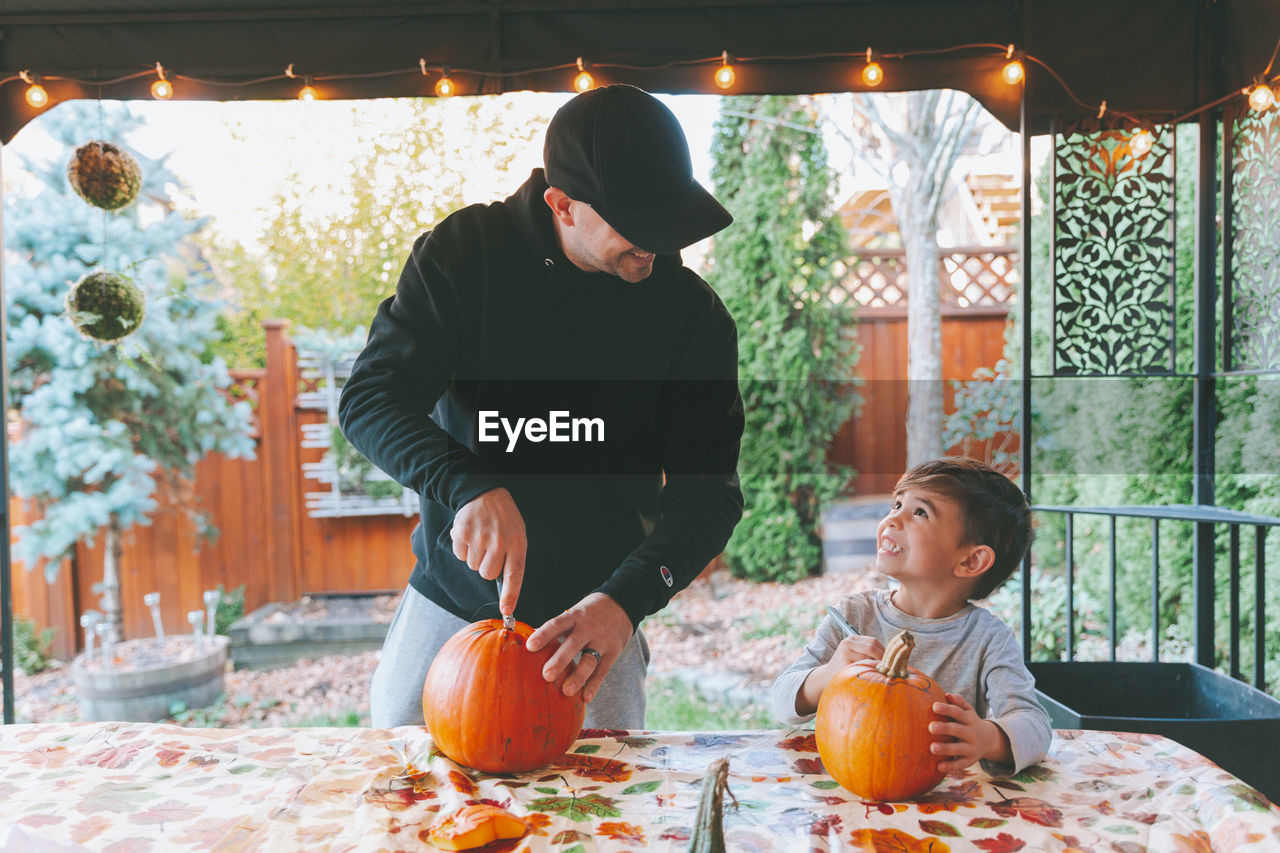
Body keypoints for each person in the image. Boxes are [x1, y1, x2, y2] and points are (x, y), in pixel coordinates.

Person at [338, 84, 744, 730]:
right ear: (562, 203)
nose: (657, 246)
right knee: (403, 787)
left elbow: (709, 494)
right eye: (637, 227)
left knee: (601, 812)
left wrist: (625, 601)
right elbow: (371, 398)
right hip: (453, 598)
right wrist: (466, 483)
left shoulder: (693, 319)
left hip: (596, 616)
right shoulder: (465, 256)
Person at [771, 457, 1051, 776]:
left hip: (945, 803)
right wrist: (830, 672)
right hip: (852, 785)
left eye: (919, 512)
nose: (892, 519)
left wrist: (987, 738)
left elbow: (1036, 726)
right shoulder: (854, 615)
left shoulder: (988, 640)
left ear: (971, 560)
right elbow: (782, 701)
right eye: (897, 504)